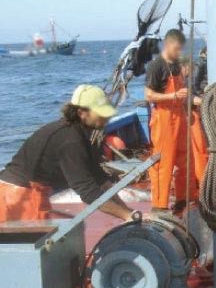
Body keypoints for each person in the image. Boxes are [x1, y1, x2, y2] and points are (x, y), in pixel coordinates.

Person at [0, 85, 139, 222]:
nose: (106, 117)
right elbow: (88, 192)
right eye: (101, 113)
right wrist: (126, 215)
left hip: (29, 190)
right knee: (33, 242)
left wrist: (130, 212)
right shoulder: (70, 141)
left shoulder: (81, 134)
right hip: (19, 195)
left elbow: (100, 179)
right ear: (81, 113)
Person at [145, 29, 198, 216]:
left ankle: (185, 198)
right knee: (163, 163)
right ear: (168, 45)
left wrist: (188, 107)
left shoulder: (176, 66)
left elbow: (182, 91)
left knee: (186, 159)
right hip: (163, 119)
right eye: (176, 49)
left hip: (179, 116)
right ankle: (159, 206)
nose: (178, 53)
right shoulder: (155, 66)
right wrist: (173, 95)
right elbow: (149, 95)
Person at [180, 56, 209, 191]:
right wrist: (204, 101)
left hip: (183, 118)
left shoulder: (179, 80)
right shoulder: (179, 80)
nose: (190, 73)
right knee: (199, 152)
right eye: (189, 69)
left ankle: (195, 183)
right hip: (189, 117)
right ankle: (204, 184)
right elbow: (186, 99)